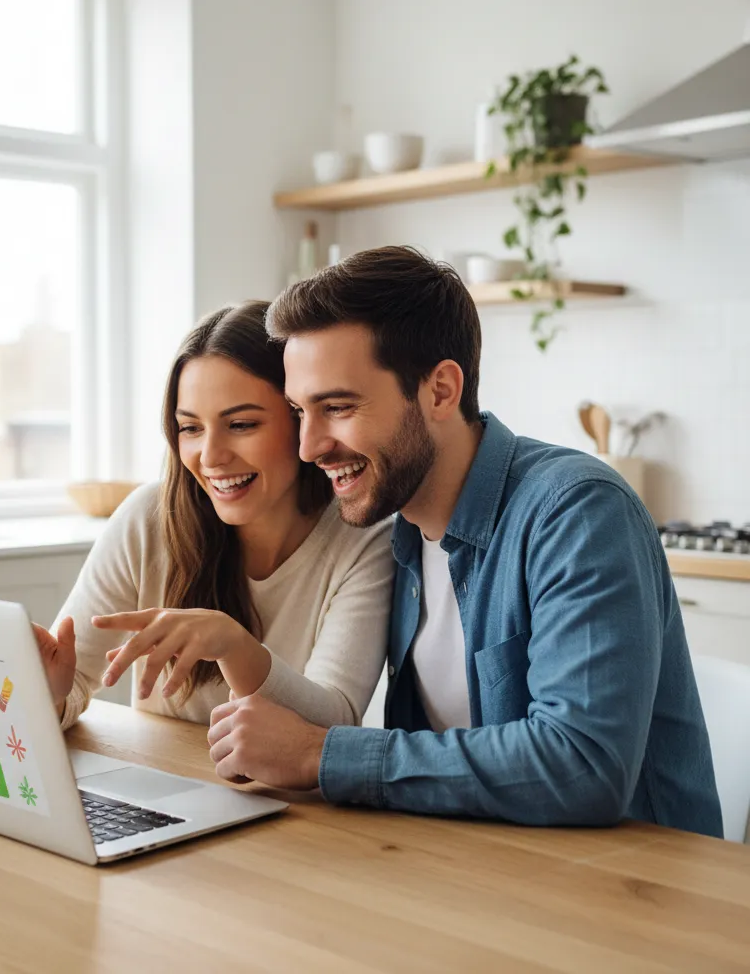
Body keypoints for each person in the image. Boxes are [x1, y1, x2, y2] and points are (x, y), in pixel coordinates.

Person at [207, 246, 723, 837]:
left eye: (338, 407)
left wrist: (320, 755)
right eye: (300, 411)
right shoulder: (396, 530)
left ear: (441, 390)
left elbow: (582, 767)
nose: (309, 446)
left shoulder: (576, 510)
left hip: (640, 898)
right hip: (490, 876)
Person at [32, 300, 394, 734]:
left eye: (241, 424)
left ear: (301, 420)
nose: (210, 457)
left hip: (283, 800)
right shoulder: (148, 520)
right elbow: (70, 689)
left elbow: (334, 722)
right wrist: (50, 694)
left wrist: (233, 646)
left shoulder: (363, 541)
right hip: (162, 786)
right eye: (190, 428)